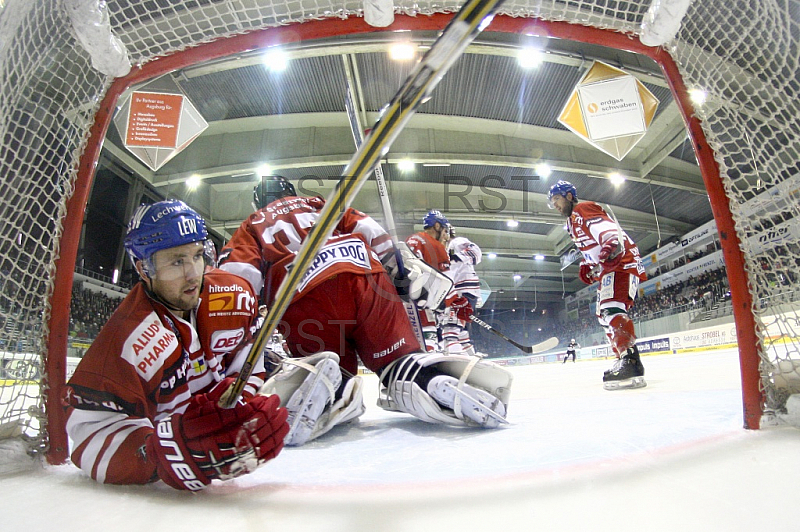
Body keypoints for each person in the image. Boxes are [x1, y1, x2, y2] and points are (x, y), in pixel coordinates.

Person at [218, 178, 510, 442]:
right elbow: (376, 235)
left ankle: (338, 390)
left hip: (302, 298)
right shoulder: (322, 204)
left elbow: (235, 282)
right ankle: (419, 376)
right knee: (397, 361)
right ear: (291, 192)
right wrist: (399, 267)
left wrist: (240, 331)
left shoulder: (252, 224)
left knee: (325, 368)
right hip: (365, 279)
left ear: (259, 202)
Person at [62, 200, 290, 490]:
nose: (194, 273)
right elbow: (89, 437)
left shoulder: (233, 292)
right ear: (143, 268)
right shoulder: (127, 341)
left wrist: (240, 405)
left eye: (197, 256)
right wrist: (162, 453)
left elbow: (250, 358)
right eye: (176, 261)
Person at [548, 180, 647, 389]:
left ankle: (630, 361)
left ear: (568, 196)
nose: (554, 205)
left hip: (621, 262)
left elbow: (608, 233)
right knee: (603, 315)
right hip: (610, 268)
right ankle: (623, 357)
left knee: (611, 308)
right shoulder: (571, 223)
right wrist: (588, 263)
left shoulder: (583, 208)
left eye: (556, 199)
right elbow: (592, 247)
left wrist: (610, 244)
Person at [405, 209, 454, 352]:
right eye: (444, 231)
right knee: (429, 337)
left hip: (404, 301)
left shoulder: (410, 239)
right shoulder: (436, 246)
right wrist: (453, 302)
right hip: (424, 300)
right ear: (437, 226)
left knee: (411, 341)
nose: (445, 236)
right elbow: (447, 280)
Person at [441, 231, 483, 356]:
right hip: (459, 291)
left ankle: (453, 356)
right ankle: (469, 355)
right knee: (460, 330)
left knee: (451, 328)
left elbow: (476, 253)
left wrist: (455, 258)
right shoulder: (442, 249)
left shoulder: (456, 242)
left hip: (462, 290)